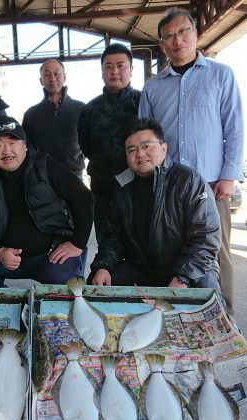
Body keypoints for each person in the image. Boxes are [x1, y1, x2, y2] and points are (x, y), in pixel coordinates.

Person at [138, 8, 244, 314]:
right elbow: (145, 138)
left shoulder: (220, 74)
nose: (177, 40)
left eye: (183, 32)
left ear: (195, 34)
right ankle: (179, 316)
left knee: (217, 252)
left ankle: (224, 320)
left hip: (211, 182)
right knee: (173, 249)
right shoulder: (153, 87)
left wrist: (228, 175)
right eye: (169, 36)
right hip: (167, 186)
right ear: (162, 45)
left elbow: (234, 127)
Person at [88, 118, 221, 296]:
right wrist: (103, 266)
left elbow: (205, 239)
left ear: (164, 148)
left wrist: (183, 278)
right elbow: (113, 238)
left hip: (188, 269)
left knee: (206, 299)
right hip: (143, 268)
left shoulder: (188, 180)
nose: (140, 154)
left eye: (146, 146)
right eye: (132, 150)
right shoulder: (122, 187)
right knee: (97, 285)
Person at [0, 116, 94, 287]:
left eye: (12, 142)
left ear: (24, 145)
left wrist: (78, 243)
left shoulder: (46, 165)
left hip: (49, 255)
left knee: (64, 279)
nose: (6, 150)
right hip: (5, 257)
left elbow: (83, 197)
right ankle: (4, 298)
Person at [78, 44, 141, 245]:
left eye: (121, 65)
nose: (114, 71)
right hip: (102, 189)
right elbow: (85, 145)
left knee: (140, 246)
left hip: (139, 189)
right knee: (106, 245)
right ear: (102, 71)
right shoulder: (90, 109)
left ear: (131, 69)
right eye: (108, 66)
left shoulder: (143, 102)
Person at [22, 59, 85, 178]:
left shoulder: (81, 109)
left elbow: (90, 143)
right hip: (43, 177)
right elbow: (27, 148)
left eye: (57, 74)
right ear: (41, 80)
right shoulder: (31, 114)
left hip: (74, 175)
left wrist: (76, 158)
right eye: (47, 75)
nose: (52, 79)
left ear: (64, 77)